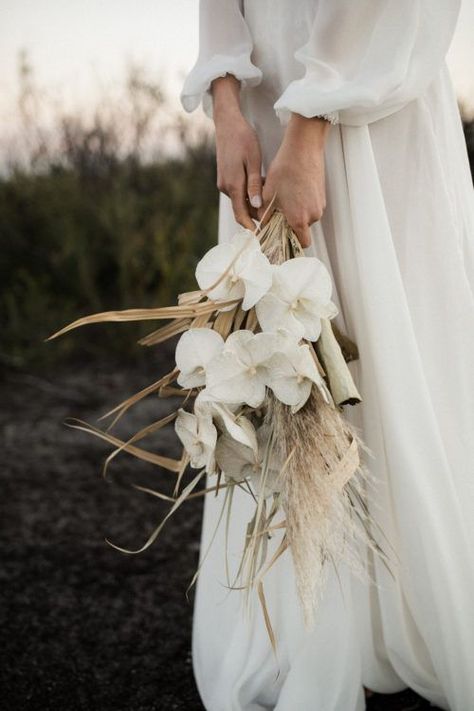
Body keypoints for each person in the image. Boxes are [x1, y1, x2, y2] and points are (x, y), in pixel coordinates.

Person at [179, 2, 474, 710]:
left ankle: (412, 600)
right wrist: (226, 101)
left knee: (387, 341)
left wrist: (313, 123)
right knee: (282, 350)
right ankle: (311, 610)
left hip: (362, 93)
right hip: (265, 98)